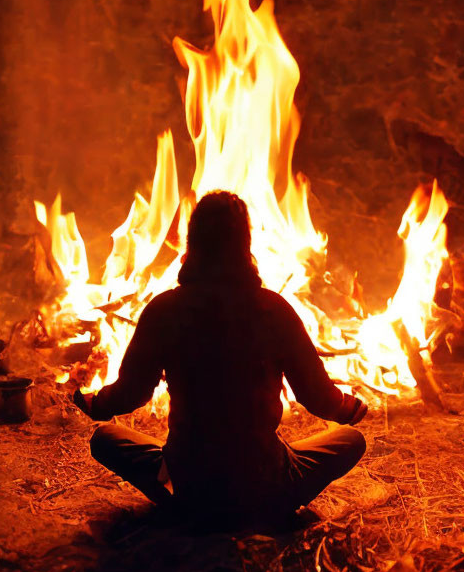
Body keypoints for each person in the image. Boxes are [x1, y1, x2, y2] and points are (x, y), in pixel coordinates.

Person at [72, 191, 367, 528]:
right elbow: (318, 399)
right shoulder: (273, 309)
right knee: (351, 440)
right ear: (246, 244)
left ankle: (191, 503)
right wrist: (347, 408)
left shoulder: (165, 310)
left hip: (188, 490)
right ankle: (263, 503)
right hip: (267, 490)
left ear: (191, 242)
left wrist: (97, 403)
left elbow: (130, 394)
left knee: (105, 439)